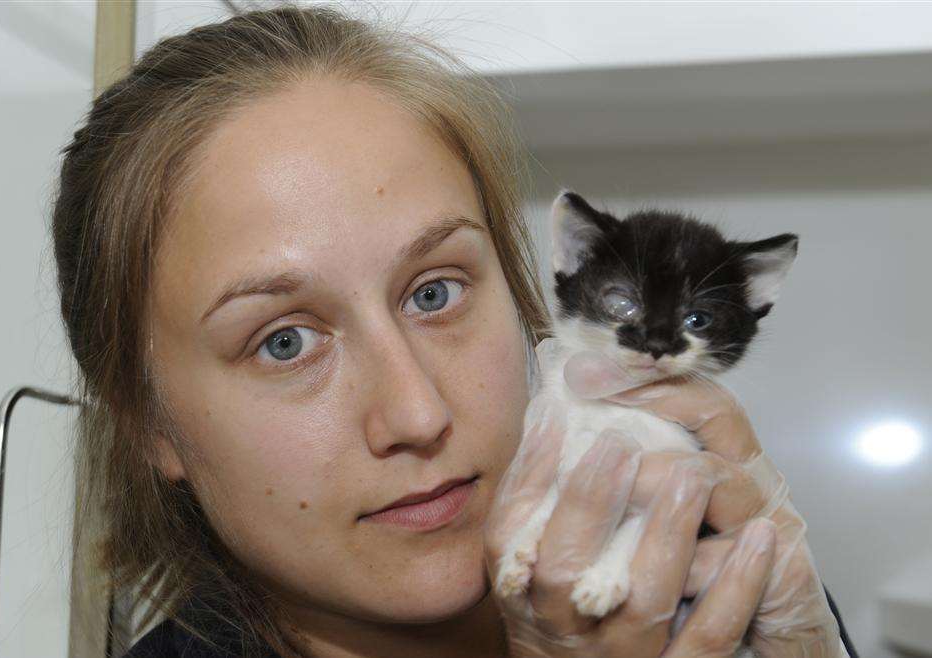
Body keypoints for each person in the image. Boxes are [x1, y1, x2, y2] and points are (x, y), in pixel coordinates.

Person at [50, 4, 857, 657]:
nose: (417, 413)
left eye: (434, 292)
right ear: (148, 420)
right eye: (283, 341)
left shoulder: (718, 579)